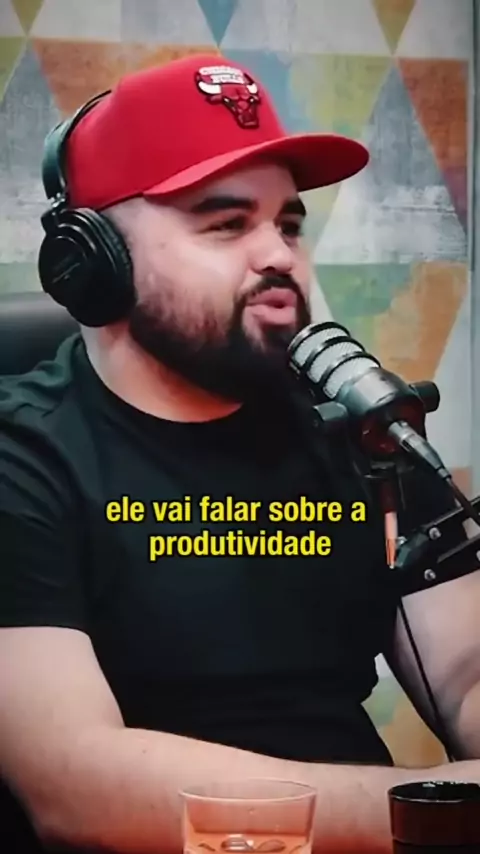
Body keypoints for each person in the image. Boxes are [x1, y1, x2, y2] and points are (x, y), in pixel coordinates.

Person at [0, 52, 479, 854]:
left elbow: (465, 677)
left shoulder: (367, 430)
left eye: (287, 224)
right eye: (226, 224)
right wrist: (436, 811)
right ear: (92, 265)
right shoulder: (21, 456)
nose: (280, 255)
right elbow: (75, 786)